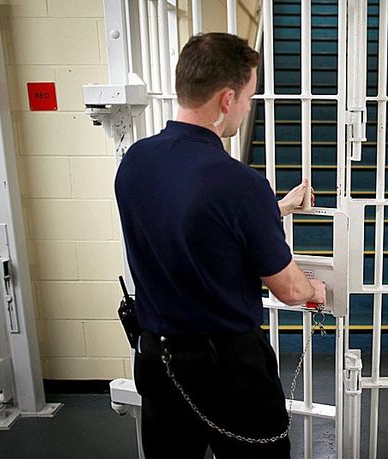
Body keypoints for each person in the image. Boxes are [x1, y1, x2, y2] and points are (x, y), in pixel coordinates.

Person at [114, 32, 325, 458]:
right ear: (227, 99)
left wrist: (276, 207)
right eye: (249, 97)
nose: (247, 108)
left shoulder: (136, 161)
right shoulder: (240, 183)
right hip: (226, 369)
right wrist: (316, 291)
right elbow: (288, 289)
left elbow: (189, 222)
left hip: (157, 358)